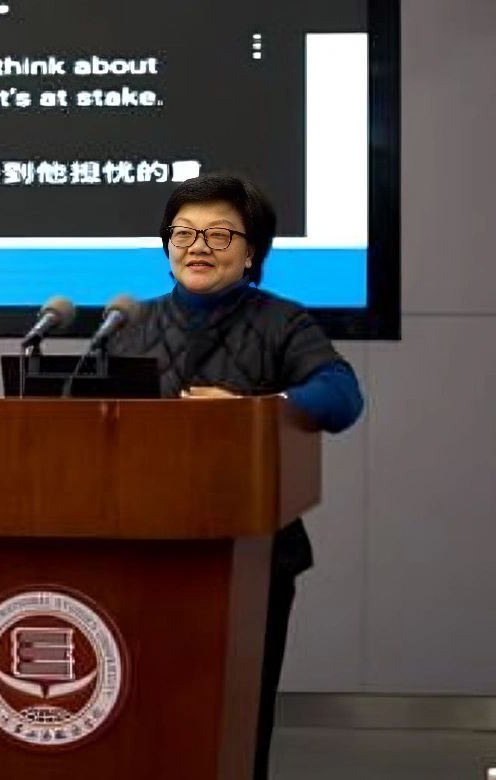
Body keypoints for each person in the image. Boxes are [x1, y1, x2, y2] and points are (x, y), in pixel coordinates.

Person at [106, 173, 365, 780]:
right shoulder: (130, 324)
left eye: (219, 234)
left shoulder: (283, 322)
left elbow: (342, 397)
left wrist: (254, 411)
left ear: (252, 252)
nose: (198, 246)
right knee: (138, 715)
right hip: (141, 548)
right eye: (184, 233)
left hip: (252, 555)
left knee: (234, 719)